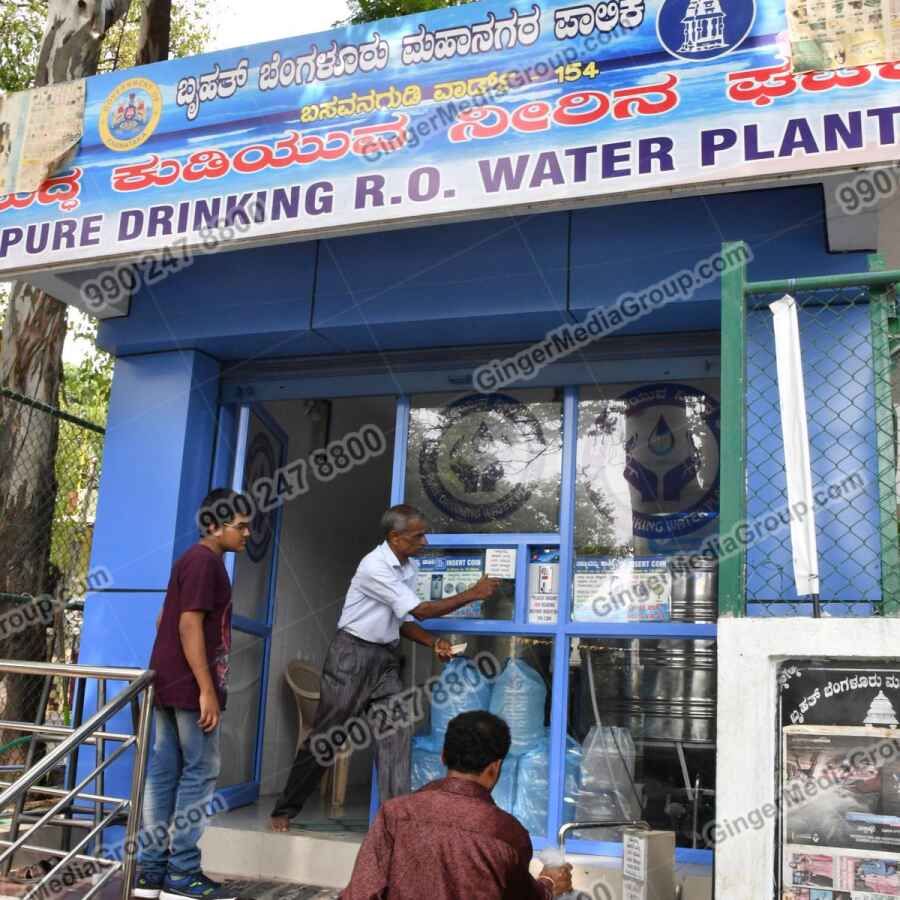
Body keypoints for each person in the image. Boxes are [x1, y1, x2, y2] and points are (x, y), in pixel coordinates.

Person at [270, 504, 499, 831]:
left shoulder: (409, 568)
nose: (425, 540)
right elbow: (421, 610)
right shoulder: (373, 566)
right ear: (395, 537)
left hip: (385, 659)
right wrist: (473, 593)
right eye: (418, 535)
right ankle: (285, 809)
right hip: (352, 655)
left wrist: (433, 644)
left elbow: (404, 619)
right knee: (328, 736)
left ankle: (396, 823)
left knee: (396, 734)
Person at [134, 489, 252, 900]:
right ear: (214, 527)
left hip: (167, 680)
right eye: (240, 526)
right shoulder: (206, 563)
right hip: (188, 686)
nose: (247, 534)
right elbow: (186, 625)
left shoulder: (190, 559)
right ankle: (183, 873)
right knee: (199, 771)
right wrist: (205, 688)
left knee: (163, 771)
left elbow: (162, 618)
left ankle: (152, 872)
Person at [340, 711, 574, 899]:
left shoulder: (394, 814)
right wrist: (549, 884)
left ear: (443, 756)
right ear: (495, 767)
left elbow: (361, 893)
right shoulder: (507, 834)